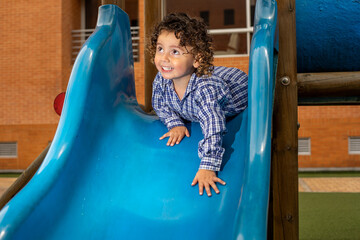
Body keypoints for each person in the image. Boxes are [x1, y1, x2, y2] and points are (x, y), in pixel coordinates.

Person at [148, 13, 248, 197]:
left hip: (239, 87)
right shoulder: (162, 80)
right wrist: (174, 123)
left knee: (212, 82)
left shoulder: (206, 90)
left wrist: (208, 166)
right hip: (206, 77)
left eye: (175, 52)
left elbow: (213, 125)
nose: (164, 58)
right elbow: (160, 105)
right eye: (160, 49)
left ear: (197, 59)